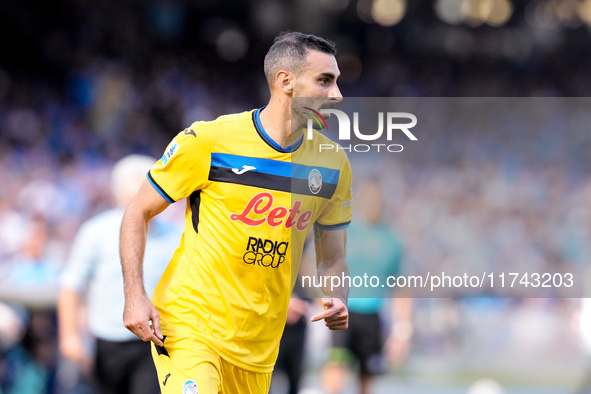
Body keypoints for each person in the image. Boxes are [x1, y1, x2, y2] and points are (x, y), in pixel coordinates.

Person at [120, 31, 354, 394]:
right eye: (325, 80)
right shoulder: (209, 141)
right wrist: (135, 295)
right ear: (285, 81)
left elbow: (333, 254)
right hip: (190, 323)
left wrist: (338, 295)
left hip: (257, 347)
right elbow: (137, 212)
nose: (336, 94)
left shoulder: (333, 163)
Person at [58, 154, 182, 394]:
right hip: (107, 341)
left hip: (157, 343)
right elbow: (71, 284)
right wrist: (69, 336)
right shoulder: (96, 231)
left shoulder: (176, 235)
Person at [322, 179, 412, 394]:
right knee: (335, 371)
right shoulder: (344, 232)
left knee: (367, 379)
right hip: (343, 313)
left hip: (372, 317)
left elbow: (401, 286)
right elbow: (317, 265)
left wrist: (403, 330)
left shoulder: (392, 241)